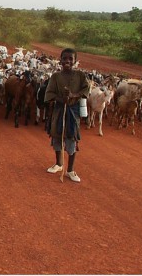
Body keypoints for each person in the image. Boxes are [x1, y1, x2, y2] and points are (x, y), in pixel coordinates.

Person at [44, 48, 90, 183]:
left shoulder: (80, 76)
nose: (67, 61)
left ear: (75, 61)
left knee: (72, 137)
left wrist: (73, 96)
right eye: (65, 58)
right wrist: (60, 99)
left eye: (70, 59)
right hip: (59, 110)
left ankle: (70, 170)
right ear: (60, 60)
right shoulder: (55, 77)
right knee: (57, 135)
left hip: (73, 111)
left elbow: (86, 89)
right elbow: (49, 94)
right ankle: (58, 164)